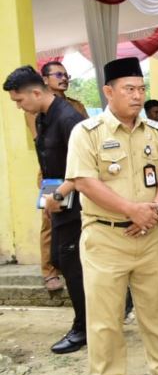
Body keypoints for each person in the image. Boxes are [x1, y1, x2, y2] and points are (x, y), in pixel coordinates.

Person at [66, 57, 158, 375]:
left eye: (140, 89)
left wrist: (155, 210)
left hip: (149, 234)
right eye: (129, 89)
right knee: (105, 316)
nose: (137, 96)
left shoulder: (153, 130)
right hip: (105, 237)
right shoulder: (87, 132)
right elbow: (84, 181)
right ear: (108, 92)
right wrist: (130, 210)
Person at [3, 66, 87, 354]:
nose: (18, 107)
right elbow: (50, 164)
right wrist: (50, 199)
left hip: (77, 203)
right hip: (57, 201)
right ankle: (110, 306)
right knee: (59, 258)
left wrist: (61, 193)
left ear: (36, 92)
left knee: (73, 265)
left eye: (19, 100)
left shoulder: (69, 119)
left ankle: (84, 328)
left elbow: (86, 167)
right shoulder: (43, 118)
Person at [28, 61, 87, 292]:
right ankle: (49, 271)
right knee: (50, 220)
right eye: (58, 75)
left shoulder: (75, 106)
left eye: (66, 75)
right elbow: (43, 144)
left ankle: (75, 265)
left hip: (75, 171)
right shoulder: (36, 108)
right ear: (45, 80)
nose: (64, 78)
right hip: (52, 173)